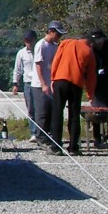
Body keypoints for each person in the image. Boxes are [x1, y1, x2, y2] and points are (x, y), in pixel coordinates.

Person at [49, 31, 97, 156]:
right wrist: (90, 95)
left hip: (60, 79)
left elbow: (56, 61)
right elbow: (91, 77)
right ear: (90, 43)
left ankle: (56, 146)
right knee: (74, 115)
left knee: (57, 113)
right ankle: (73, 147)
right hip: (77, 83)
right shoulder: (89, 51)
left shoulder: (65, 43)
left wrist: (53, 78)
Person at [32, 21, 65, 150]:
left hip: (51, 83)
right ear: (50, 32)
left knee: (51, 111)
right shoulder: (41, 45)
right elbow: (38, 65)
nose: (58, 37)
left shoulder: (55, 46)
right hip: (39, 84)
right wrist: (43, 84)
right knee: (42, 112)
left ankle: (49, 136)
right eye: (57, 34)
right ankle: (40, 137)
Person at [87, 29, 108, 148]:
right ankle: (97, 137)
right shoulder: (91, 49)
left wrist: (107, 72)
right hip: (97, 85)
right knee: (97, 112)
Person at [12, 29, 38, 140]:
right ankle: (33, 132)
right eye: (26, 40)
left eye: (30, 40)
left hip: (39, 82)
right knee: (31, 108)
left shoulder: (39, 50)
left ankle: (43, 132)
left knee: (40, 108)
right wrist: (15, 83)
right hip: (28, 82)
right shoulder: (21, 53)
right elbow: (17, 69)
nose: (28, 42)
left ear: (34, 40)